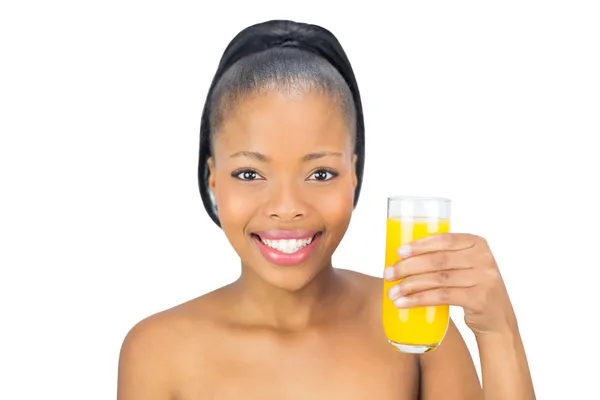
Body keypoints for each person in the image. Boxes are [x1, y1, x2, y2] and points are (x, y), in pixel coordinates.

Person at [117, 20, 535, 399]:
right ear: (212, 178)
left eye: (320, 174)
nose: (286, 208)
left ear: (354, 174)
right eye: (249, 174)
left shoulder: (416, 330)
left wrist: (498, 332)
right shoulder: (157, 351)